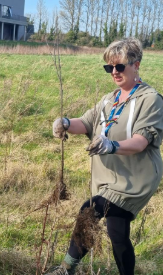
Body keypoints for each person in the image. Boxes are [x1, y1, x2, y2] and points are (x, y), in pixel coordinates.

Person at [47, 37, 163, 275]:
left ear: (136, 64)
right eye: (109, 67)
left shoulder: (150, 100)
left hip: (134, 178)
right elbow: (88, 123)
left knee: (90, 210)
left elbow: (141, 141)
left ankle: (66, 269)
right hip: (109, 177)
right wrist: (66, 123)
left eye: (119, 66)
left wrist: (111, 145)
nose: (114, 72)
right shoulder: (109, 99)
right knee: (116, 230)